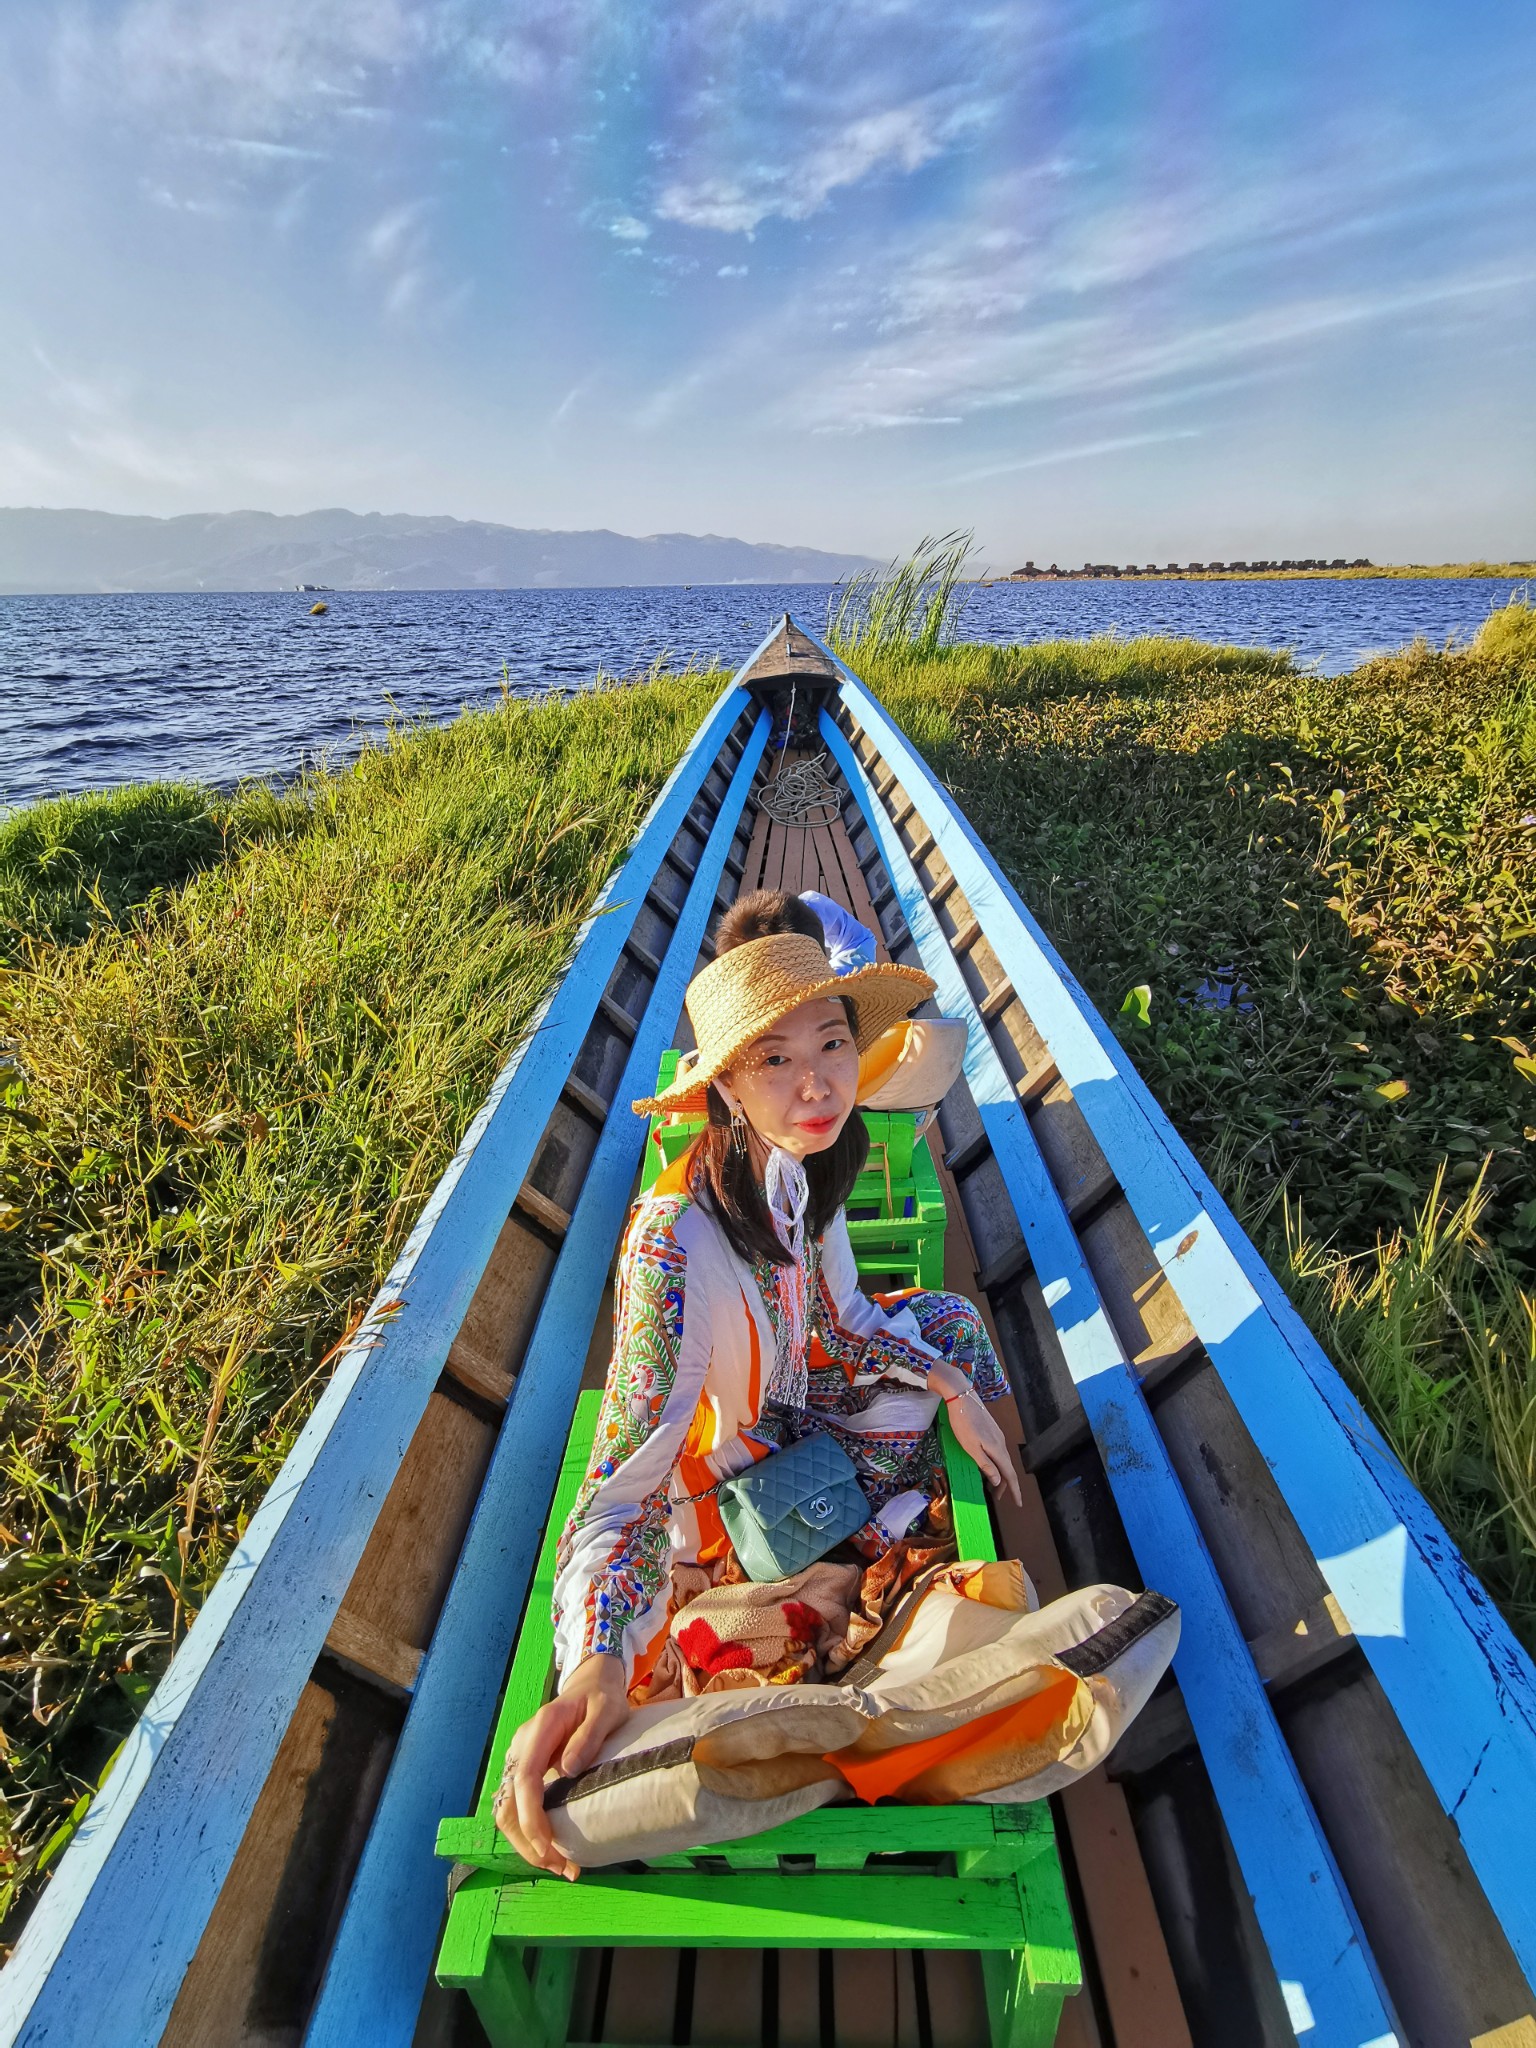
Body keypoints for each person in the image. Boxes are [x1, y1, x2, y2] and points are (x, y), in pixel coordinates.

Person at [501, 889, 1022, 1878]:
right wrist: (599, 1659)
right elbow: (624, 1486)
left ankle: (893, 1581)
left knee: (949, 1324)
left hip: (795, 1421)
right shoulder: (672, 1243)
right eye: (774, 1060)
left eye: (830, 1045)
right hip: (715, 1489)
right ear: (727, 1086)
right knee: (910, 1453)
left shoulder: (803, 1174)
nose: (817, 1082)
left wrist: (947, 1378)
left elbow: (839, 1324)